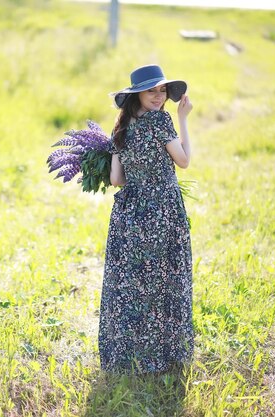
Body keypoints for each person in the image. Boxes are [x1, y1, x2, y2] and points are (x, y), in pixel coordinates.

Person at [98, 64, 193, 374]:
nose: (158, 95)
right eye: (151, 90)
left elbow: (115, 179)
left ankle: (129, 355)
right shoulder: (162, 120)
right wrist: (182, 119)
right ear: (136, 94)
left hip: (129, 213)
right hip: (162, 210)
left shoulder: (120, 128)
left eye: (162, 90)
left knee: (133, 284)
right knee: (164, 280)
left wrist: (140, 171)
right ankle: (163, 355)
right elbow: (184, 161)